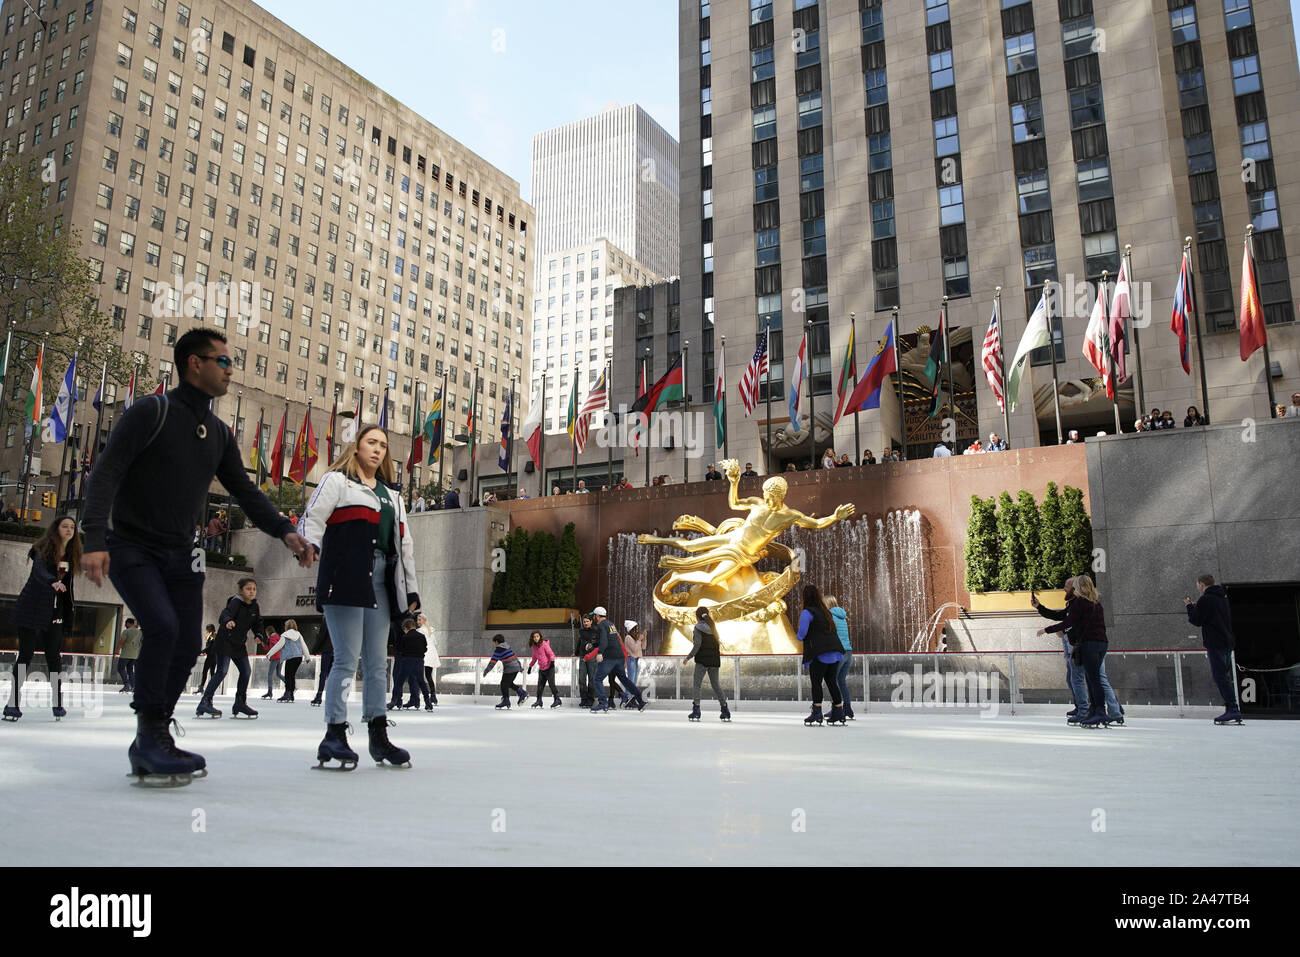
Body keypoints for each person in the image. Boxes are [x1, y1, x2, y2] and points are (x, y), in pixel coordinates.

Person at [81, 327, 314, 785]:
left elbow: (246, 492)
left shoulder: (221, 435)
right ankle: (149, 733)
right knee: (163, 627)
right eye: (222, 361)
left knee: (188, 644)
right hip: (132, 546)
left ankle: (154, 736)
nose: (231, 369)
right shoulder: (152, 412)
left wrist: (286, 531)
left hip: (183, 553)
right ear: (194, 363)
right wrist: (92, 539)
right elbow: (105, 474)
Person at [298, 424, 420, 770]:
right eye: (371, 442)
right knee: (346, 660)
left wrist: (411, 590)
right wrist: (309, 546)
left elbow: (404, 545)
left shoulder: (392, 496)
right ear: (356, 447)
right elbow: (313, 520)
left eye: (383, 445)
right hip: (346, 578)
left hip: (382, 580)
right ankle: (334, 733)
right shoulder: (337, 481)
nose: (378, 449)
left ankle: (378, 735)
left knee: (378, 662)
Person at [4, 515, 80, 721]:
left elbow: (70, 589)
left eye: (72, 527)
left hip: (55, 612)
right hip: (32, 607)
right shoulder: (43, 548)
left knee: (54, 657)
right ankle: (12, 704)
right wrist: (52, 582)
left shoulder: (72, 555)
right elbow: (38, 571)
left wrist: (68, 615)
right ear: (56, 529)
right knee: (26, 654)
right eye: (65, 526)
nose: (69, 530)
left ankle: (57, 704)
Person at [1037, 574, 1111, 727]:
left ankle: (1099, 712)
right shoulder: (1096, 603)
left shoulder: (1080, 603)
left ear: (1079, 587)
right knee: (1093, 678)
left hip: (1088, 644)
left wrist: (1046, 630)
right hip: (1101, 644)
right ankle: (1094, 710)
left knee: (1093, 680)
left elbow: (1068, 622)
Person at [197, 578, 264, 718]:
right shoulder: (236, 602)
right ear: (241, 590)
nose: (252, 592)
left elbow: (258, 623)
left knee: (246, 671)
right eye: (248, 589)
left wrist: (259, 634)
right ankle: (205, 701)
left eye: (254, 589)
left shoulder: (254, 606)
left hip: (239, 644)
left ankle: (240, 702)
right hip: (225, 641)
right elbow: (225, 614)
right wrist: (228, 621)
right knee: (221, 671)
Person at [1186, 574, 1241, 725]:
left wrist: (1190, 607)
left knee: (1220, 676)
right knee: (1225, 676)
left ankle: (1232, 708)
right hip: (1227, 641)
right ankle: (1232, 707)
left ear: (1201, 584)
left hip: (1215, 642)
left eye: (1197, 584)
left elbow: (1196, 620)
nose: (1197, 587)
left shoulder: (1205, 599)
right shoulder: (1222, 598)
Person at [796, 585, 844, 725]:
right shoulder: (826, 612)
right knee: (831, 682)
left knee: (816, 683)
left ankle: (817, 712)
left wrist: (799, 636)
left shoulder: (807, 612)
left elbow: (802, 634)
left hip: (820, 653)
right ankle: (838, 711)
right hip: (835, 651)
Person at [590, 606, 645, 713]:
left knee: (597, 679)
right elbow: (609, 640)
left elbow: (604, 641)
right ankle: (640, 701)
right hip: (619, 657)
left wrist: (600, 653)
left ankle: (603, 703)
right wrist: (592, 645)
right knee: (624, 680)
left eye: (594, 616)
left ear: (597, 616)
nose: (594, 618)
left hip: (609, 657)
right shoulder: (611, 624)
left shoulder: (601, 625)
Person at [683, 606, 729, 721]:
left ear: (697, 616)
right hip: (714, 660)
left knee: (697, 685)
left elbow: (697, 645)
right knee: (716, 685)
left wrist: (688, 657)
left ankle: (696, 709)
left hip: (702, 661)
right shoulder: (713, 626)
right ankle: (725, 709)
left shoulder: (698, 628)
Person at [388, 617, 431, 711]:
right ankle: (428, 703)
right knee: (421, 682)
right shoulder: (421, 636)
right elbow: (425, 649)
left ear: (406, 628)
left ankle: (394, 702)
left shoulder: (405, 637)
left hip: (407, 661)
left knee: (399, 682)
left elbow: (402, 649)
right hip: (419, 661)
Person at [266, 619, 308, 703]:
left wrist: (269, 653)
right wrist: (307, 657)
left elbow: (278, 645)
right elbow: (304, 645)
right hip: (298, 657)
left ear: (287, 626)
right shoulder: (299, 634)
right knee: (291, 676)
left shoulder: (285, 635)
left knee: (288, 676)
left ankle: (287, 693)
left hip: (290, 657)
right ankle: (291, 694)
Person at [826, 596, 855, 720]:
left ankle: (836, 709)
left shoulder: (830, 617)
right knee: (841, 682)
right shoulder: (842, 617)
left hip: (838, 653)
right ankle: (847, 709)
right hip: (848, 652)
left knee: (832, 681)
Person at [484, 634, 528, 709]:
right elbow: (514, 656)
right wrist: (519, 667)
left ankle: (506, 700)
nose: (494, 644)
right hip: (515, 667)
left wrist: (486, 671)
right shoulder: (507, 647)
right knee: (508, 683)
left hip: (510, 668)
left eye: (494, 642)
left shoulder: (498, 649)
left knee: (503, 684)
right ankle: (522, 693)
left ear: (497, 642)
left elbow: (492, 662)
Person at [527, 630, 561, 708]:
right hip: (542, 669)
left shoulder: (544, 644)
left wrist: (552, 662)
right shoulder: (534, 647)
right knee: (540, 686)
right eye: (534, 637)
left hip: (549, 667)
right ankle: (539, 701)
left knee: (551, 684)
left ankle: (557, 700)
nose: (536, 638)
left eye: (537, 636)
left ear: (540, 637)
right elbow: (534, 657)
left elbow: (551, 654)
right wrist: (530, 666)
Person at [309, 618, 333, 708]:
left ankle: (319, 696)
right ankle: (332, 697)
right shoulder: (341, 617)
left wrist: (315, 649)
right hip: (337, 650)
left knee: (323, 673)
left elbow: (322, 636)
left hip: (327, 650)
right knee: (332, 675)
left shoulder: (327, 619)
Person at [116, 617, 143, 694]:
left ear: (128, 623)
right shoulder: (139, 632)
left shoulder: (126, 631)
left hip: (125, 654)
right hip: (135, 655)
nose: (125, 625)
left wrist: (116, 651)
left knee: (120, 668)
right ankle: (133, 686)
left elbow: (122, 641)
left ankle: (126, 684)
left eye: (126, 623)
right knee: (130, 670)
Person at [576, 613, 599, 708]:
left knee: (592, 679)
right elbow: (580, 641)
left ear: (591, 622)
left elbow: (597, 642)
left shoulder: (596, 630)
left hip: (592, 656)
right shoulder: (581, 630)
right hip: (582, 656)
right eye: (584, 621)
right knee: (581, 678)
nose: (585, 623)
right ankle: (583, 699)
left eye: (587, 621)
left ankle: (591, 699)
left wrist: (591, 645)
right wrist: (576, 652)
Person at [418, 613, 439, 709]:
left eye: (419, 620)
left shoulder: (421, 631)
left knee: (420, 676)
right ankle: (433, 696)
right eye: (418, 620)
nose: (418, 622)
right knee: (428, 675)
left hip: (425, 653)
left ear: (424, 621)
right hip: (431, 654)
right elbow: (435, 643)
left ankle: (421, 696)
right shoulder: (430, 631)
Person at [623, 620, 645, 700]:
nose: (637, 630)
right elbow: (634, 650)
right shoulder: (628, 638)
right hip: (631, 659)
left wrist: (644, 638)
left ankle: (631, 698)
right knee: (631, 680)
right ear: (632, 629)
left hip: (636, 660)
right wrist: (639, 640)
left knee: (634, 681)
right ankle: (626, 698)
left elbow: (643, 647)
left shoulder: (636, 638)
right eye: (636, 628)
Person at [260, 624, 283, 700]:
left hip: (275, 657)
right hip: (280, 657)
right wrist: (264, 646)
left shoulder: (272, 638)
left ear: (268, 632)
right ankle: (291, 686)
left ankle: (270, 691)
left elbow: (274, 647)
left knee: (270, 674)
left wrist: (270, 653)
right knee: (278, 674)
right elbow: (272, 647)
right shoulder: (278, 637)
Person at [197, 624, 219, 695]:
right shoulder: (213, 635)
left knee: (205, 671)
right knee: (212, 672)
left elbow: (210, 647)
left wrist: (202, 651)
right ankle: (212, 688)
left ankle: (202, 687)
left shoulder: (212, 636)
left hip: (211, 656)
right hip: (213, 656)